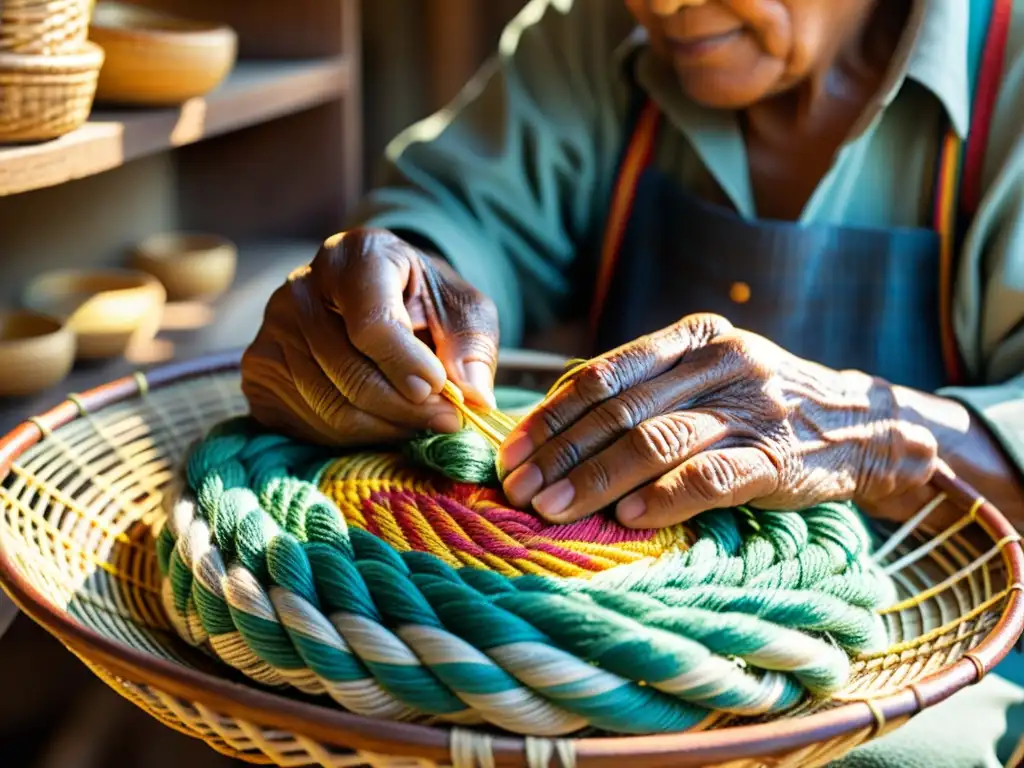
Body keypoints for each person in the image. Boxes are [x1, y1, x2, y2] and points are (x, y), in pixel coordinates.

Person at [240, 0, 1024, 765]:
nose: (661, 6)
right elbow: (453, 218)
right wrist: (392, 303)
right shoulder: (586, 37)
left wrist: (878, 436)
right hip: (585, 624)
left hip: (952, 636)